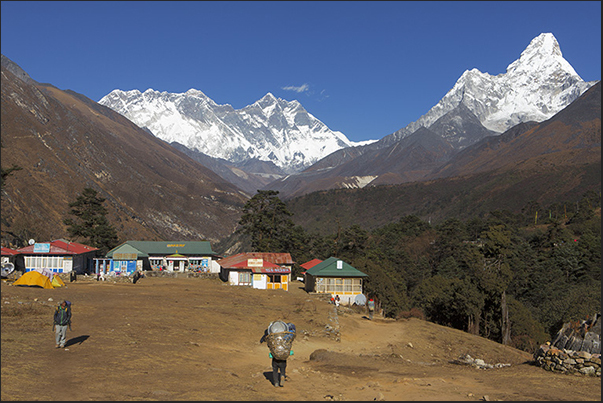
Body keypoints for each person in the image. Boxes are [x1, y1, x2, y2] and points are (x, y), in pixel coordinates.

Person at [261, 321, 296, 387]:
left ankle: (276, 383)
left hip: (275, 357)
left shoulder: (272, 337)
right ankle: (282, 376)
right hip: (283, 356)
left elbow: (265, 339)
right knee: (282, 370)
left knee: (275, 371)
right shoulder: (287, 336)